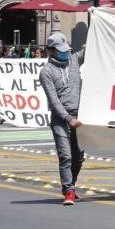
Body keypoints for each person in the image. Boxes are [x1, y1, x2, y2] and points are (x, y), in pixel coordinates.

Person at [39, 32, 86, 205]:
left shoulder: (74, 60)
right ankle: (69, 191)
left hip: (79, 116)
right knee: (65, 155)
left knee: (78, 157)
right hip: (60, 118)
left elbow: (91, 49)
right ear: (51, 50)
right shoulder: (46, 72)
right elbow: (54, 100)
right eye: (61, 50)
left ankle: (70, 185)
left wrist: (96, 19)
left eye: (66, 49)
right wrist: (68, 118)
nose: (65, 53)